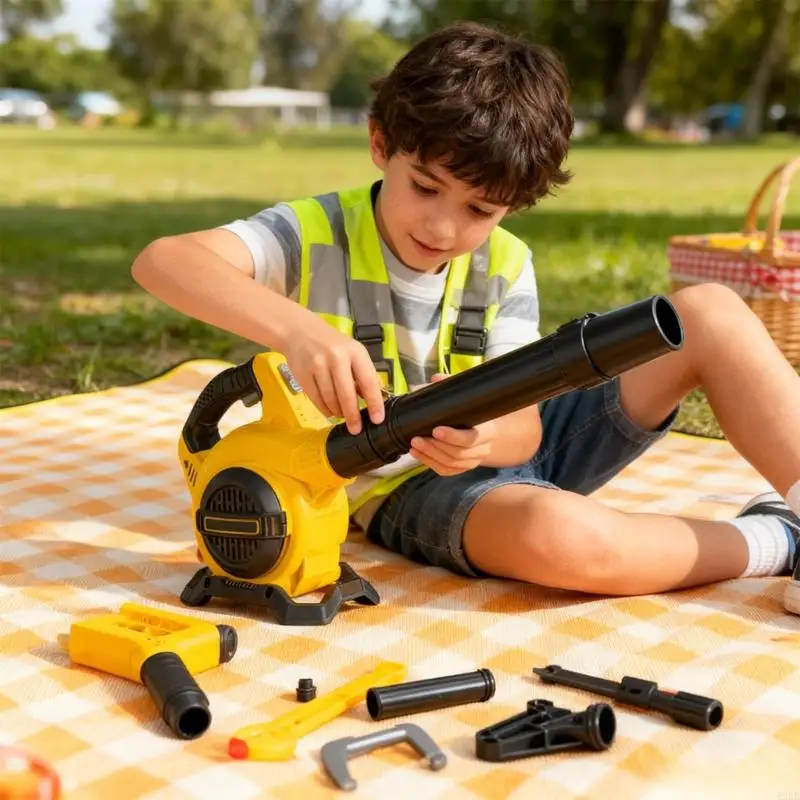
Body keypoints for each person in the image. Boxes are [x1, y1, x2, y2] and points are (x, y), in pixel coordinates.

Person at [130, 21, 800, 615]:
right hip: (398, 483)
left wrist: (483, 443)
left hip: (498, 447)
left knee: (707, 311)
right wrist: (297, 330)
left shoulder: (505, 263)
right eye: (425, 187)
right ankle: (779, 538)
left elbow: (524, 430)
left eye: (481, 210)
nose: (445, 227)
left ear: (513, 205)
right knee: (563, 539)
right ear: (379, 143)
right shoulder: (313, 232)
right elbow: (165, 261)